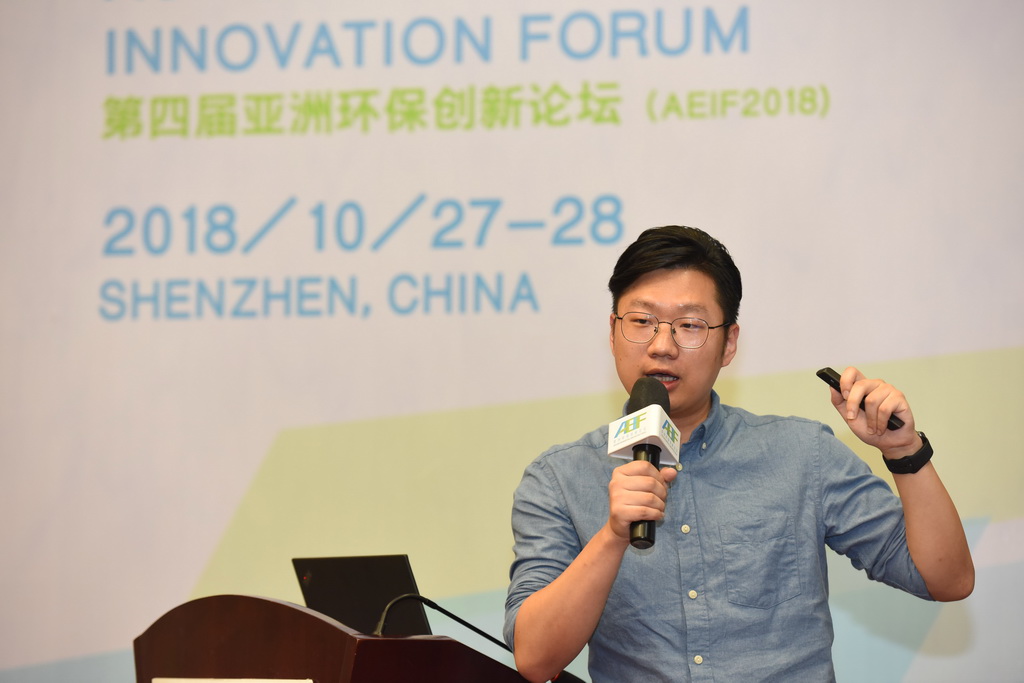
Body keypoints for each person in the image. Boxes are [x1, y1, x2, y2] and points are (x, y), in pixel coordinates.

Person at [503, 225, 974, 682]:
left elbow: (946, 581)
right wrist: (611, 537)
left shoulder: (801, 453)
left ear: (728, 343)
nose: (662, 346)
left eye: (689, 325)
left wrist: (904, 451)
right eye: (642, 322)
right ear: (612, 332)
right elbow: (536, 660)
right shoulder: (559, 479)